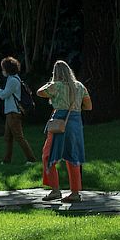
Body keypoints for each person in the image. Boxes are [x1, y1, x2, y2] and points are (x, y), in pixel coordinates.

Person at [37, 60, 93, 203]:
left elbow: (40, 92)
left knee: (48, 155)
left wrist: (51, 82)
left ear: (55, 73)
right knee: (73, 157)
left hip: (59, 122)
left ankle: (55, 190)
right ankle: (75, 193)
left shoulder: (56, 86)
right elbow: (88, 106)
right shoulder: (80, 86)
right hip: (75, 122)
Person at [0, 57, 36, 165]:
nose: (3, 71)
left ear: (8, 69)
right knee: (8, 137)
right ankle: (7, 160)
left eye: (3, 69)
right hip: (10, 112)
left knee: (19, 137)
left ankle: (31, 159)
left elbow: (3, 95)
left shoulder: (13, 80)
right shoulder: (14, 79)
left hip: (13, 112)